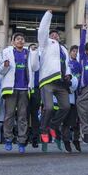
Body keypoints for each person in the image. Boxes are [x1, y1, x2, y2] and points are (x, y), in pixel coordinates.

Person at [0, 32, 39, 153]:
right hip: (11, 88)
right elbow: (0, 71)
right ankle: (8, 139)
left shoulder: (29, 53)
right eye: (17, 39)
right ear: (13, 42)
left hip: (24, 89)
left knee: (22, 117)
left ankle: (22, 141)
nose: (20, 41)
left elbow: (35, 68)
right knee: (9, 115)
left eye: (22, 39)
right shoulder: (6, 52)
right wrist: (5, 66)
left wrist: (35, 53)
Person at [37, 10, 72, 144]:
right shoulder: (45, 44)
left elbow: (67, 64)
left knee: (65, 107)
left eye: (56, 35)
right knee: (49, 107)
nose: (55, 36)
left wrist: (68, 74)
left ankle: (53, 125)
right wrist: (48, 15)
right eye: (52, 34)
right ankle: (44, 129)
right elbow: (42, 31)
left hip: (61, 82)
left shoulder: (63, 49)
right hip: (47, 80)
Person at [63, 45, 82, 152]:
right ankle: (66, 140)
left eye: (76, 51)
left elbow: (79, 78)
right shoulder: (66, 64)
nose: (75, 53)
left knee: (76, 120)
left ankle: (76, 139)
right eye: (73, 51)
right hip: (66, 94)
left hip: (77, 94)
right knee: (66, 119)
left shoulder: (79, 65)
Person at [27, 43, 41, 148]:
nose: (33, 49)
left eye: (35, 48)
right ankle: (25, 136)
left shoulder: (39, 60)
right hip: (26, 89)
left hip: (36, 89)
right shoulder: (25, 58)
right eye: (31, 48)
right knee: (24, 114)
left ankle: (35, 138)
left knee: (35, 114)